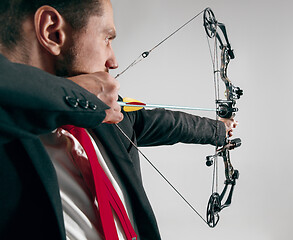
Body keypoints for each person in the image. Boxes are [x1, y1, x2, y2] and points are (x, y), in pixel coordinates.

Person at [0, 0, 237, 239]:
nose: (113, 61)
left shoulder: (109, 117)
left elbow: (169, 123)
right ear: (53, 31)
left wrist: (220, 130)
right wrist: (77, 96)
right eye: (107, 39)